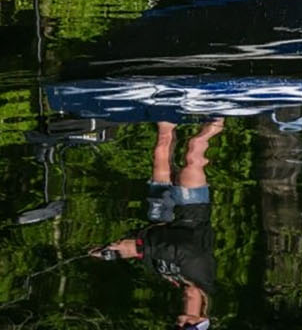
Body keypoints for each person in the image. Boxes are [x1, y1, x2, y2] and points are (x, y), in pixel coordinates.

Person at [91, 119, 225, 329]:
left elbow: (148, 248)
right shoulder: (202, 275)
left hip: (160, 214)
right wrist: (137, 249)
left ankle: (166, 110)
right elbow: (183, 249)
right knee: (193, 153)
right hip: (191, 212)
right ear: (202, 318)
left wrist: (113, 250)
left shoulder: (172, 280)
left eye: (180, 324)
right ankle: (219, 112)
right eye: (189, 322)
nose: (183, 320)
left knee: (161, 148)